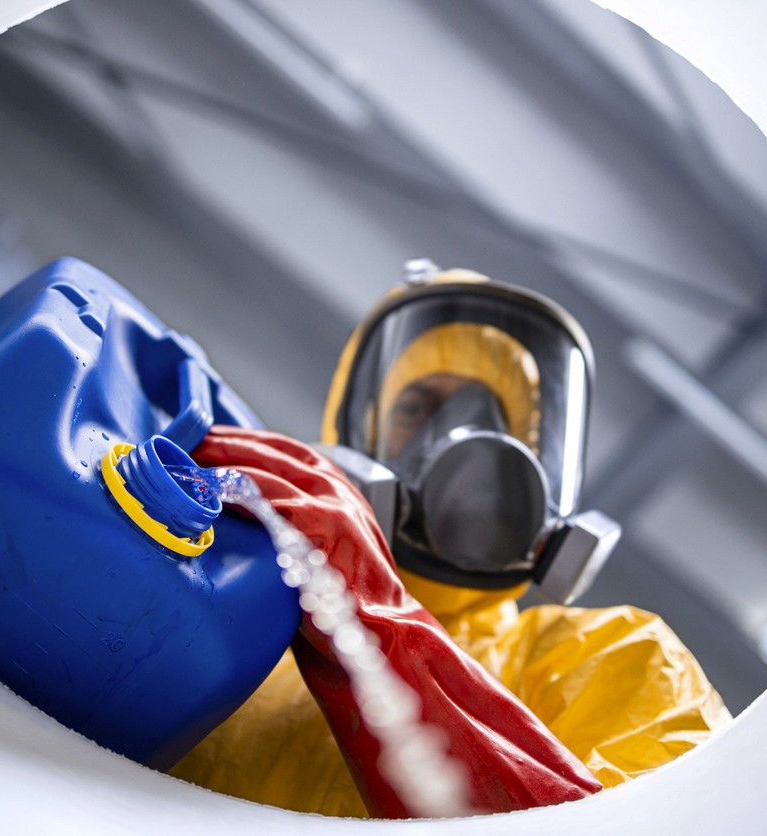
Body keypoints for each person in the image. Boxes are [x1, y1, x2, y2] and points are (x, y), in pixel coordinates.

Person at [170, 264, 731, 816]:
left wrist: (368, 612)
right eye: (416, 408)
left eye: (495, 420)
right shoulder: (236, 613)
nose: (460, 448)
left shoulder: (617, 659)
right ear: (353, 444)